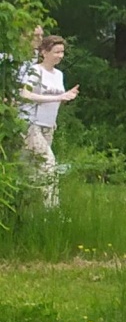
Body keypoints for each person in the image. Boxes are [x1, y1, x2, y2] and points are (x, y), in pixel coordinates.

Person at [17, 32, 78, 205]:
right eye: (56, 52)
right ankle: (52, 209)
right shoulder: (35, 71)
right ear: (44, 52)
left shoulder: (58, 74)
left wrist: (67, 97)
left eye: (62, 52)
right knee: (49, 165)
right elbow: (25, 94)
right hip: (31, 126)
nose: (60, 56)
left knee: (32, 170)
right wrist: (58, 98)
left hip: (48, 127)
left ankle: (29, 208)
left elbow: (59, 97)